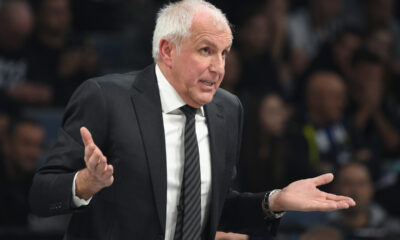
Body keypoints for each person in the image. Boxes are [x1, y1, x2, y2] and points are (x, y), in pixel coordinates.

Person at [29, 1, 355, 240]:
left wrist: (275, 201)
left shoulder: (227, 110)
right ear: (168, 51)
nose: (219, 67)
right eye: (205, 50)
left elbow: (216, 206)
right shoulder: (105, 97)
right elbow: (42, 194)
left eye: (224, 53)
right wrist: (85, 184)